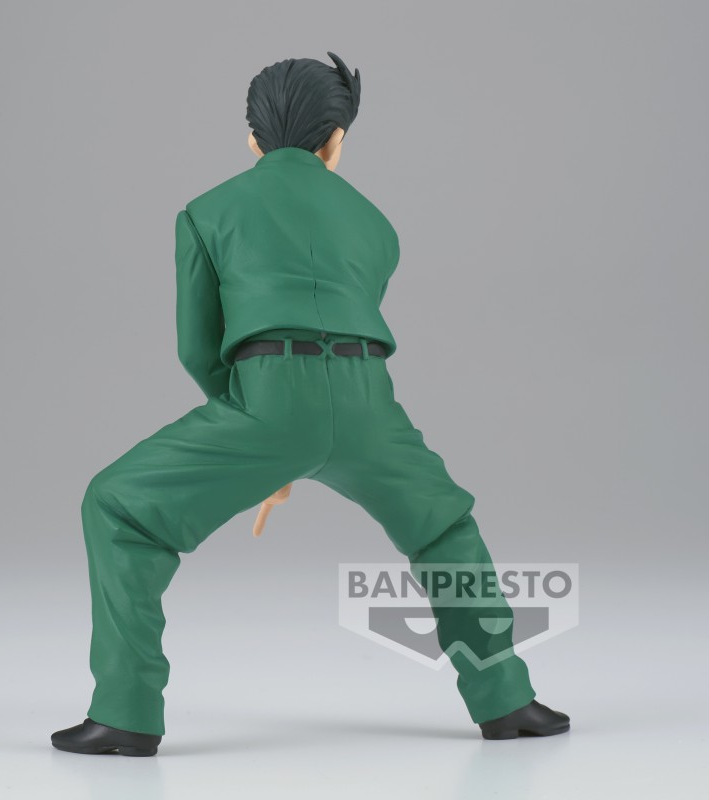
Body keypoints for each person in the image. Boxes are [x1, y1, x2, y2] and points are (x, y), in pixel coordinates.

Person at [51, 51, 569, 757]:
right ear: (336, 140)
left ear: (252, 138)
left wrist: (256, 440)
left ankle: (126, 714)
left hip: (269, 394)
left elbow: (197, 347)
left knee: (117, 509)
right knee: (445, 527)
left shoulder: (207, 212)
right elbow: (346, 309)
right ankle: (508, 703)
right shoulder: (377, 225)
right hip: (369, 400)